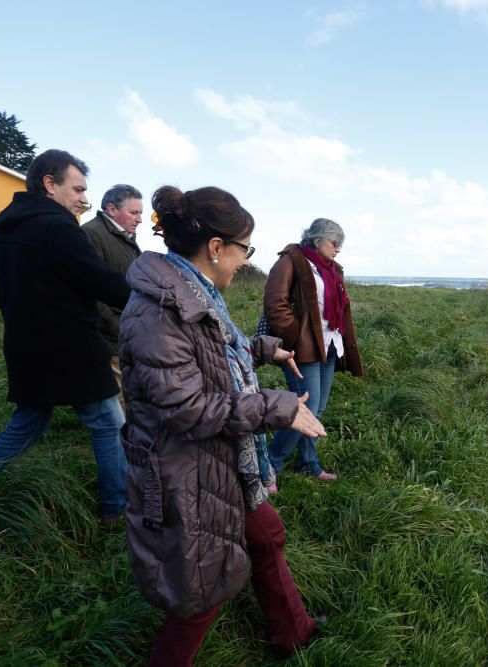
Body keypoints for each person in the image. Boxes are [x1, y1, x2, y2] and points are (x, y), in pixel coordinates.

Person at [120, 185, 327, 665]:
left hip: (221, 458)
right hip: (185, 466)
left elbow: (209, 356)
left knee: (266, 536)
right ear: (216, 247)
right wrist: (274, 407)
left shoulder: (191, 289)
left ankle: (293, 632)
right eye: (243, 249)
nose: (243, 261)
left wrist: (259, 350)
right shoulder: (160, 309)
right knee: (200, 592)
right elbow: (185, 408)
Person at [0, 149, 130, 527]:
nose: (83, 198)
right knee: (108, 424)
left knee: (27, 425)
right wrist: (147, 293)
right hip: (74, 347)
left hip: (25, 347)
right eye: (78, 189)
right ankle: (117, 508)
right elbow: (99, 280)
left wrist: (29, 306)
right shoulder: (59, 226)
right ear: (50, 184)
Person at [264, 218, 362, 483]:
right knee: (303, 408)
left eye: (341, 244)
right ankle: (269, 465)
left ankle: (308, 463)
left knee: (316, 410)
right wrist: (295, 337)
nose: (338, 248)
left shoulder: (330, 268)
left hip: (329, 346)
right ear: (317, 238)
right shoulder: (291, 261)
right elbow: (276, 304)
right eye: (334, 242)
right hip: (303, 350)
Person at [80, 184, 143, 410]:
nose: (139, 219)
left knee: (132, 394)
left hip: (131, 331)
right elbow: (89, 289)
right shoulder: (91, 234)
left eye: (140, 213)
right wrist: (115, 327)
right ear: (111, 209)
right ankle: (120, 443)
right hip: (112, 336)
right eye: (133, 213)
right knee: (119, 402)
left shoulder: (124, 237)